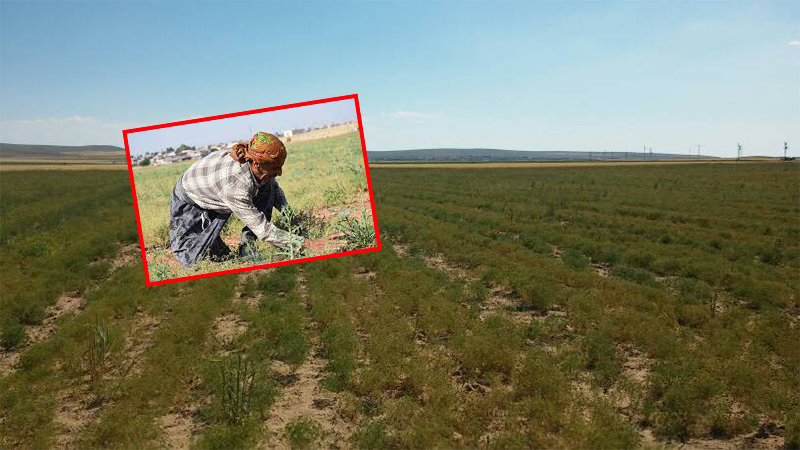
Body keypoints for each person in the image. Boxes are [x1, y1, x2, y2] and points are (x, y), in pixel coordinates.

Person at [168, 131, 326, 267]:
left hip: (215, 188)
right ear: (257, 164)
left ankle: (247, 248)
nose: (279, 172)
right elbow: (264, 230)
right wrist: (305, 244)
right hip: (192, 199)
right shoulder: (235, 186)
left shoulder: (255, 165)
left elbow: (276, 192)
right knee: (195, 259)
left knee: (269, 186)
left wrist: (292, 220)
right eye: (275, 168)